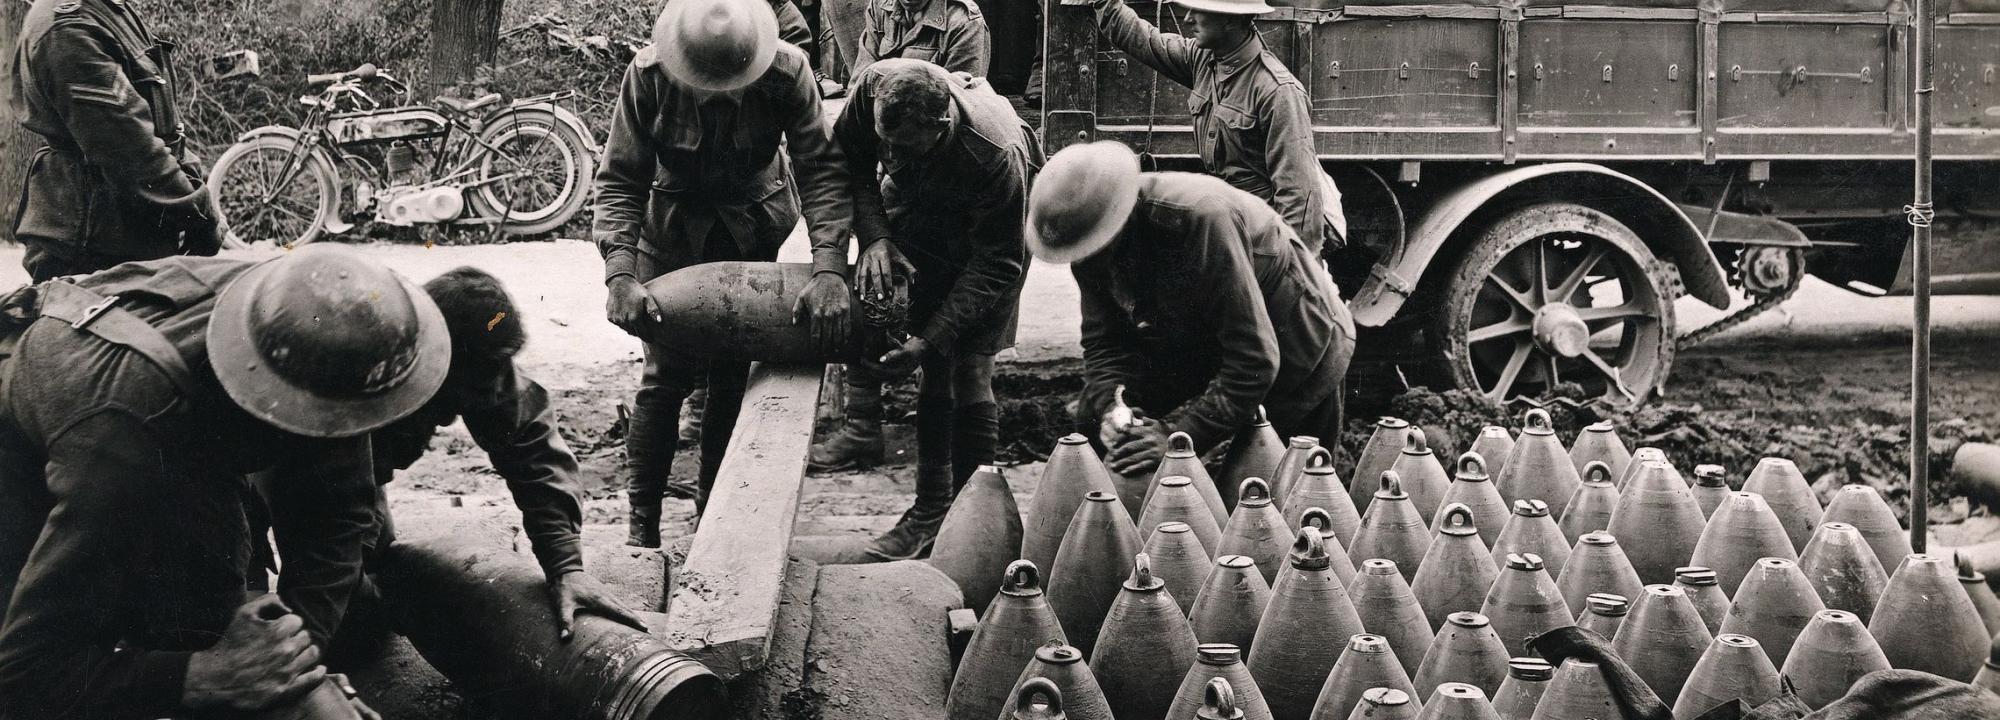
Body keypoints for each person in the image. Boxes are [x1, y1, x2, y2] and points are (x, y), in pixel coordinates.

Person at [0, 245, 442, 719]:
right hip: (32, 430)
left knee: (217, 612)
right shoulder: (124, 441)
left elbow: (337, 518)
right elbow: (24, 675)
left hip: (144, 407)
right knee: (73, 643)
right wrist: (196, 678)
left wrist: (291, 662)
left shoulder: (313, 334)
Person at [595, 0, 849, 547]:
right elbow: (620, 178)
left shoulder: (787, 71)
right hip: (669, 230)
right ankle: (643, 532)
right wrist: (620, 272)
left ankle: (713, 521)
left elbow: (821, 168)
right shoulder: (647, 76)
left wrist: (829, 265)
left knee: (732, 377)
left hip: (750, 227)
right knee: (663, 379)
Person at [325, 267, 641, 642]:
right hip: (292, 457)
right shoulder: (367, 371)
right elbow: (329, 489)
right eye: (483, 377)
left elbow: (534, 454)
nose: (494, 392)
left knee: (369, 599)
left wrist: (565, 565)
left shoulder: (479, 362)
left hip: (362, 463)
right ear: (437, 360)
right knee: (332, 619)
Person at [818, 59, 1038, 559]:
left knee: (971, 369)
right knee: (934, 375)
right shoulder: (875, 84)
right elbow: (850, 160)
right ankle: (930, 512)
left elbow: (998, 263)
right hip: (918, 211)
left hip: (991, 241)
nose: (889, 155)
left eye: (903, 147)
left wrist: (930, 337)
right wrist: (874, 237)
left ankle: (976, 517)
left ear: (940, 128)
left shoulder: (994, 154)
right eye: (886, 143)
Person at [1027, 141, 1354, 477]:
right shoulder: (1088, 241)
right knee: (1095, 418)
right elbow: (1104, 344)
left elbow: (1253, 360)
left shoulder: (1200, 218)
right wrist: (1113, 407)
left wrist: (1175, 435)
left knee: (1286, 484)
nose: (1087, 261)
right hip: (1201, 337)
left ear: (1118, 221)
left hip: (1297, 340)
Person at [812, 0, 996, 472]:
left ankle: (967, 496)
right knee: (874, 290)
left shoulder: (963, 25)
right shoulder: (882, 10)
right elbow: (863, 97)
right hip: (900, 174)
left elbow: (950, 105)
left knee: (961, 354)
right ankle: (861, 427)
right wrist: (874, 235)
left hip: (955, 187)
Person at [1068, 0, 1342, 255]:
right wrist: (1105, 2)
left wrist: (1288, 276)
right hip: (1226, 229)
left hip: (1260, 242)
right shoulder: (1204, 60)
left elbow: (1298, 201)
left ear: (1230, 21)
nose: (1187, 18)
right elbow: (1145, 41)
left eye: (1199, 10)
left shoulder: (1277, 91)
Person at [11, 0, 220, 282]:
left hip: (128, 238)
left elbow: (165, 127)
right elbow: (132, 153)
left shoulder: (109, 9)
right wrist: (199, 213)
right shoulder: (67, 27)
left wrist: (196, 193)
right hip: (92, 250)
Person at [853, 0, 991, 77]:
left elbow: (959, 103)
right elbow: (860, 82)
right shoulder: (879, 7)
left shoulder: (964, 22)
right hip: (879, 120)